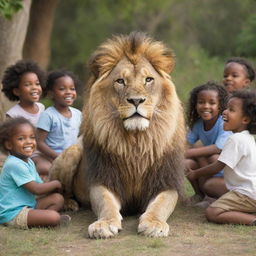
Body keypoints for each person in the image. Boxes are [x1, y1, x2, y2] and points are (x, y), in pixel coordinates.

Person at [187, 90, 256, 225]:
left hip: (246, 194)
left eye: (231, 110)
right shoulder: (247, 138)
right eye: (226, 108)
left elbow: (218, 166)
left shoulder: (235, 139)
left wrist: (195, 173)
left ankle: (252, 220)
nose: (224, 112)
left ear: (245, 119)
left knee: (212, 212)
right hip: (250, 192)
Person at [0, 117, 71, 229]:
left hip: (29, 205)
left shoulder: (28, 161)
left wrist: (47, 181)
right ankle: (49, 220)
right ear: (9, 145)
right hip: (14, 213)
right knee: (54, 217)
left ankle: (44, 220)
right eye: (21, 138)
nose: (29, 141)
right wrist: (56, 183)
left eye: (32, 137)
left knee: (58, 199)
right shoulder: (14, 164)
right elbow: (36, 189)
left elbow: (39, 184)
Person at [185, 81, 232, 204]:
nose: (206, 106)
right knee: (186, 163)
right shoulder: (198, 124)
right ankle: (200, 194)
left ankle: (213, 195)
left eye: (212, 103)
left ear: (220, 106)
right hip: (208, 162)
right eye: (201, 102)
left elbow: (218, 148)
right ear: (195, 105)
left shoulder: (223, 122)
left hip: (226, 169)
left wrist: (188, 152)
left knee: (213, 157)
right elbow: (186, 142)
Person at [32, 70, 82, 179]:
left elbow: (79, 137)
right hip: (51, 157)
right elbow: (39, 143)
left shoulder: (78, 114)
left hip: (71, 157)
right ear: (51, 94)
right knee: (50, 171)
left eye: (72, 88)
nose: (68, 92)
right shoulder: (48, 115)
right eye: (62, 89)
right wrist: (59, 157)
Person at [1, 60, 46, 126]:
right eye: (27, 84)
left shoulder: (41, 107)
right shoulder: (13, 115)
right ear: (17, 91)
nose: (34, 87)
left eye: (37, 83)